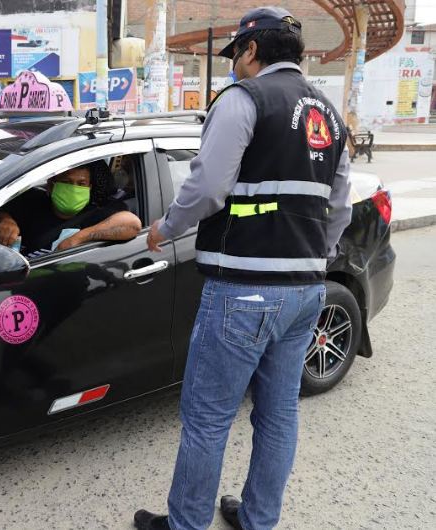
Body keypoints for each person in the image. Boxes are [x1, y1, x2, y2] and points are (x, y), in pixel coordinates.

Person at [136, 7, 352, 530]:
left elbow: (208, 188)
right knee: (279, 415)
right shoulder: (329, 113)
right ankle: (258, 521)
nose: (234, 65)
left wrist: (164, 228)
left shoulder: (243, 100)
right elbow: (340, 207)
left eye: (236, 55)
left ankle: (185, 524)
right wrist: (308, 259)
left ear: (252, 50)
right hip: (306, 289)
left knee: (207, 419)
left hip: (243, 290)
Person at [0, 161, 141, 255]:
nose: (74, 188)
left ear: (89, 188)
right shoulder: (33, 201)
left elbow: (133, 224)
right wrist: (6, 220)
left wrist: (78, 238)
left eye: (81, 184)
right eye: (66, 182)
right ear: (51, 185)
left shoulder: (95, 215)